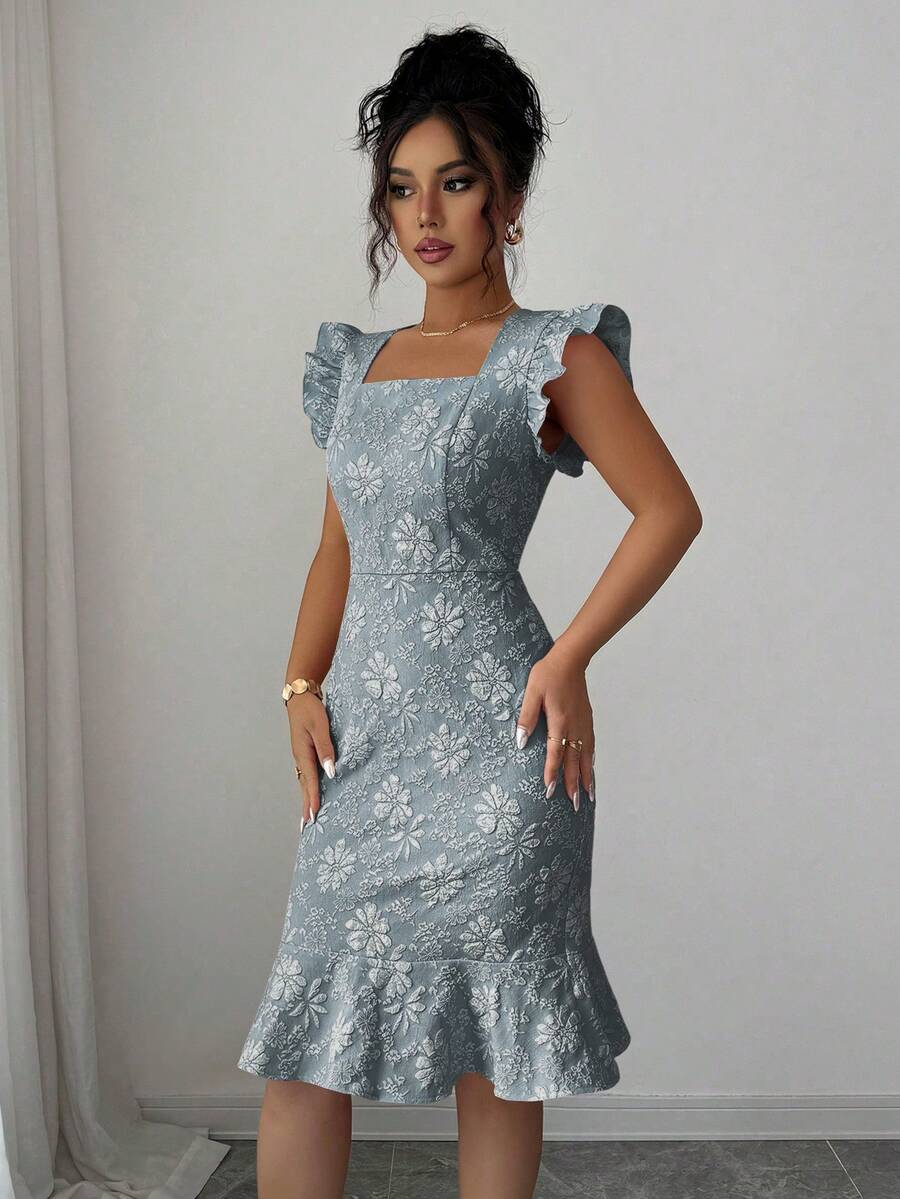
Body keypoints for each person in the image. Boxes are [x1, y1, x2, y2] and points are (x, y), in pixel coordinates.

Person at [237, 22, 702, 1199]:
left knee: (499, 1055)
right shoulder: (358, 363)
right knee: (302, 1055)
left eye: (455, 181)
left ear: (510, 198)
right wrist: (298, 684)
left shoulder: (553, 354)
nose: (425, 214)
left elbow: (668, 510)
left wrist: (569, 657)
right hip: (366, 747)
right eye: (402, 188)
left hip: (504, 748)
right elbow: (337, 547)